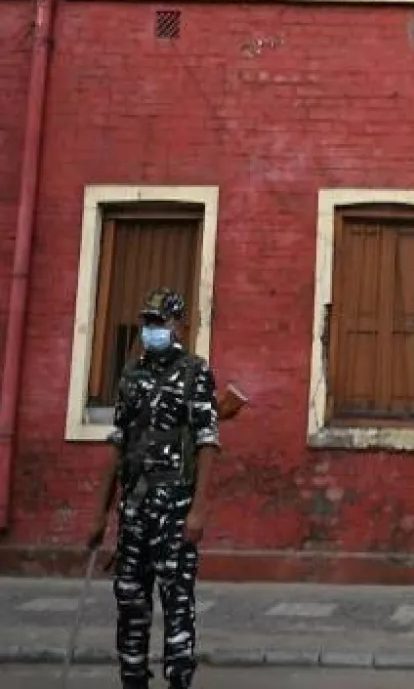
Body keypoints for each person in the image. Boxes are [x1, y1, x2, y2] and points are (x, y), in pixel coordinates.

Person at [87, 288, 220, 689]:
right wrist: (99, 512)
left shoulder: (196, 372)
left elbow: (208, 443)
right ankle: (133, 678)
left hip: (175, 507)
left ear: (178, 325)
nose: (152, 329)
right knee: (130, 599)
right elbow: (119, 443)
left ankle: (178, 679)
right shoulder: (131, 376)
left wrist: (198, 512)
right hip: (134, 509)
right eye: (147, 322)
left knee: (176, 601)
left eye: (160, 322)